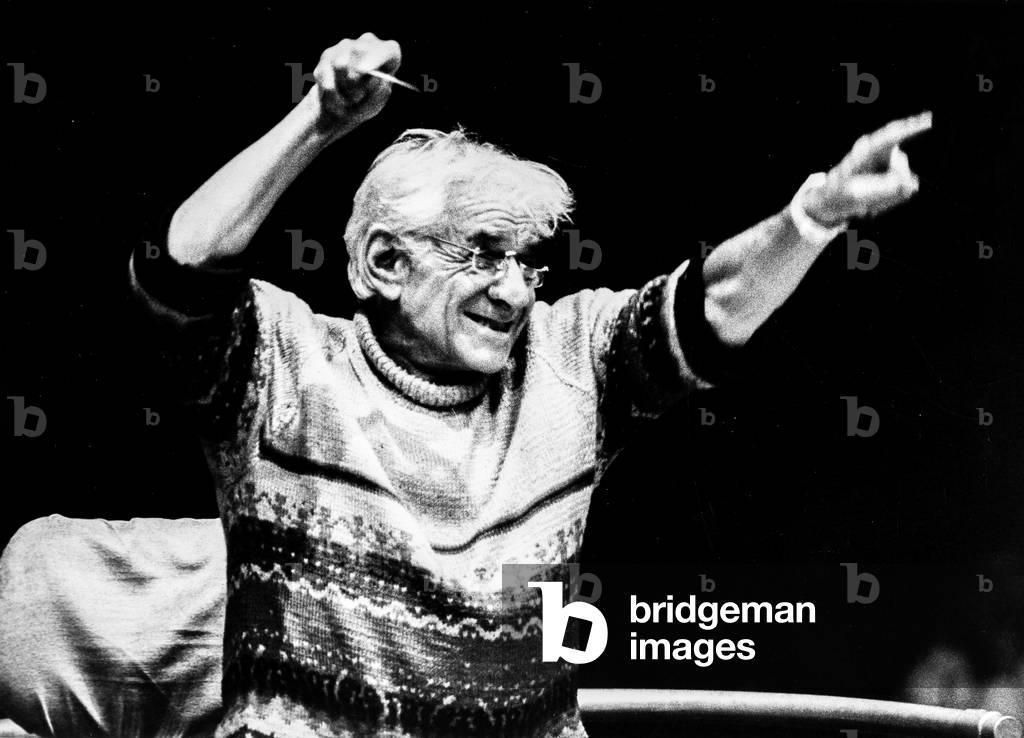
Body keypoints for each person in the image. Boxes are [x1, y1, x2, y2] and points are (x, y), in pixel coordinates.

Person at [128, 32, 931, 738]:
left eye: (527, 262)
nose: (515, 293)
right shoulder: (283, 369)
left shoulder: (567, 361)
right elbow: (180, 269)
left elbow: (713, 303)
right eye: (481, 253)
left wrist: (816, 213)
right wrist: (320, 122)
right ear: (384, 263)